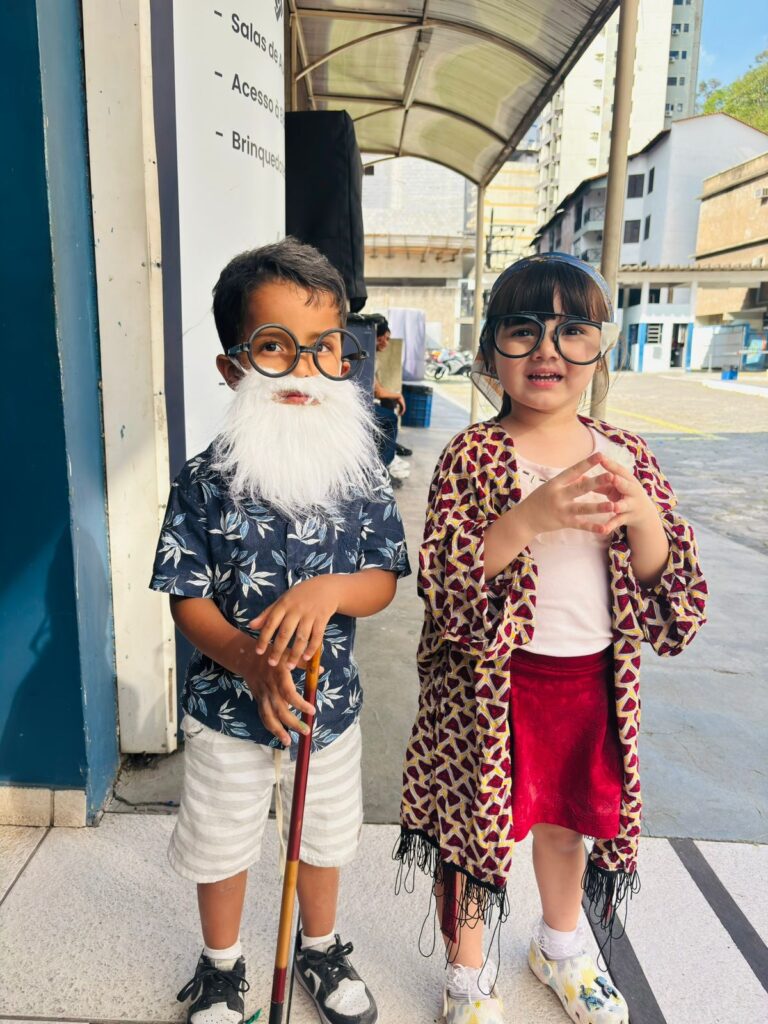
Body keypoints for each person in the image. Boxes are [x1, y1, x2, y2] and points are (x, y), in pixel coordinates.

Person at [395, 253, 708, 1024]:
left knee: (568, 825)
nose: (547, 351)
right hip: (488, 689)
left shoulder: (625, 454)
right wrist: (530, 517)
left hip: (588, 682)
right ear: (490, 349)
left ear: (601, 350)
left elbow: (670, 588)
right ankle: (468, 972)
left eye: (573, 332)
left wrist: (644, 517)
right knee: (474, 834)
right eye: (523, 330)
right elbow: (446, 578)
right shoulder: (472, 455)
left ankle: (560, 945)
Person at [150, 238, 410, 1024]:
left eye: (324, 347)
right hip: (226, 711)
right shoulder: (205, 481)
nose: (303, 369)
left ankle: (320, 946)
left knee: (323, 838)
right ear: (233, 367)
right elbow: (186, 597)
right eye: (274, 347)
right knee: (221, 840)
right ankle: (222, 964)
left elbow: (382, 579)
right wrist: (247, 659)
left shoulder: (360, 473)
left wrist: (331, 590)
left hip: (326, 713)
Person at [372, 317, 412, 483]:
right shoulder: (369, 356)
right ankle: (383, 468)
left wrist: (392, 396)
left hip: (363, 402)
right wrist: (398, 395)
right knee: (390, 419)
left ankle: (390, 450)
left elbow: (378, 388)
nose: (386, 343)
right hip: (357, 406)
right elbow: (378, 392)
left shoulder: (372, 355)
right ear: (378, 337)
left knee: (388, 405)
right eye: (386, 338)